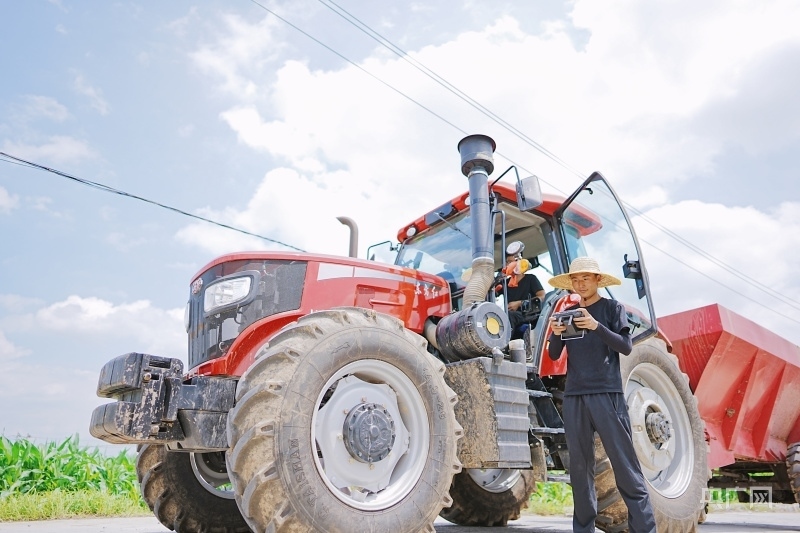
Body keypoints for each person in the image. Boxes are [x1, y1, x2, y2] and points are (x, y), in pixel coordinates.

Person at [547, 257, 656, 533]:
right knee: (580, 472)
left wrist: (595, 326)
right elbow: (553, 354)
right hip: (574, 397)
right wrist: (556, 334)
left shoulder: (610, 308)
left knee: (625, 467)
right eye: (575, 279)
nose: (580, 283)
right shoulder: (568, 313)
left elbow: (625, 346)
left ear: (597, 280)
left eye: (586, 278)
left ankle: (645, 529)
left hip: (606, 394)